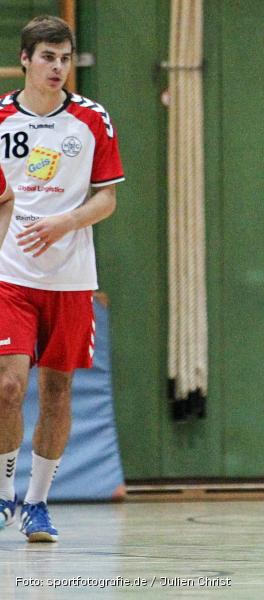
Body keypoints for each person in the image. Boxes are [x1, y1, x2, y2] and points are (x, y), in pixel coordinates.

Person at [0, 16, 124, 543]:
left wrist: (66, 222)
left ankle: (38, 503)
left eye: (65, 58)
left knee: (58, 389)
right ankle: (4, 494)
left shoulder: (92, 121)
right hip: (9, 273)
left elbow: (107, 197)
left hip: (71, 275)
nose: (58, 67)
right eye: (48, 57)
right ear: (25, 59)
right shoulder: (1, 117)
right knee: (8, 386)